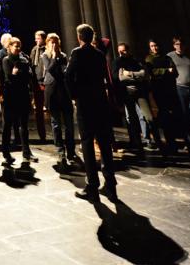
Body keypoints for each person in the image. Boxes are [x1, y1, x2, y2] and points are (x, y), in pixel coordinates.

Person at [66, 22, 116, 200]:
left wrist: (74, 96)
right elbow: (104, 77)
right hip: (100, 102)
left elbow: (68, 76)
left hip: (85, 103)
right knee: (104, 143)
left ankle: (92, 186)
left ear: (79, 37)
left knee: (87, 143)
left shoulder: (77, 53)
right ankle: (111, 184)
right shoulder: (100, 55)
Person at [112, 43, 157, 156]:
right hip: (126, 93)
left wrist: (129, 74)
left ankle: (150, 140)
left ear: (128, 50)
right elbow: (119, 77)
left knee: (147, 117)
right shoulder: (117, 62)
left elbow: (144, 74)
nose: (121, 53)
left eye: (123, 50)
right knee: (131, 118)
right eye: (119, 51)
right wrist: (136, 76)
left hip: (140, 91)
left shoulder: (135, 61)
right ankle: (136, 141)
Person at [0, 36, 37, 165]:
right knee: (8, 125)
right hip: (11, 97)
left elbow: (29, 76)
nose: (17, 48)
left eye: (19, 46)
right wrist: (17, 75)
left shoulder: (24, 60)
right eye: (15, 46)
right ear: (9, 47)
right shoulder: (6, 60)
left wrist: (17, 75)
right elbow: (8, 79)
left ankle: (26, 152)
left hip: (23, 96)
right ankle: (6, 152)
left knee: (24, 126)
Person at [41, 33, 75, 167]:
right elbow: (50, 70)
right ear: (48, 44)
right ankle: (60, 150)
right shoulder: (45, 56)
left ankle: (71, 151)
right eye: (51, 43)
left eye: (56, 42)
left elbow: (65, 72)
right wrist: (54, 58)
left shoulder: (64, 56)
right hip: (53, 93)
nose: (54, 45)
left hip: (64, 93)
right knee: (56, 124)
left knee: (69, 125)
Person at [144, 39, 182, 156]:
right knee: (161, 115)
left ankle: (172, 140)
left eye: (156, 45)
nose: (154, 48)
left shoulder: (166, 58)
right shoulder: (149, 59)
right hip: (157, 90)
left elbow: (175, 72)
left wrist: (169, 72)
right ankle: (162, 141)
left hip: (169, 89)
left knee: (171, 115)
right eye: (152, 46)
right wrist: (166, 71)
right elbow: (151, 72)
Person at [168, 37, 190, 151]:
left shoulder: (189, 59)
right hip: (179, 88)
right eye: (177, 44)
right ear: (174, 45)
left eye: (181, 44)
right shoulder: (170, 56)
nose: (179, 46)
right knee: (184, 115)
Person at [29, 29, 47, 142]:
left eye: (38, 38)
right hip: (36, 83)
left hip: (46, 82)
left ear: (44, 39)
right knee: (39, 110)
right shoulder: (34, 50)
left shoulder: (47, 49)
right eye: (36, 38)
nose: (36, 40)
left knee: (51, 108)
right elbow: (31, 65)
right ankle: (42, 135)